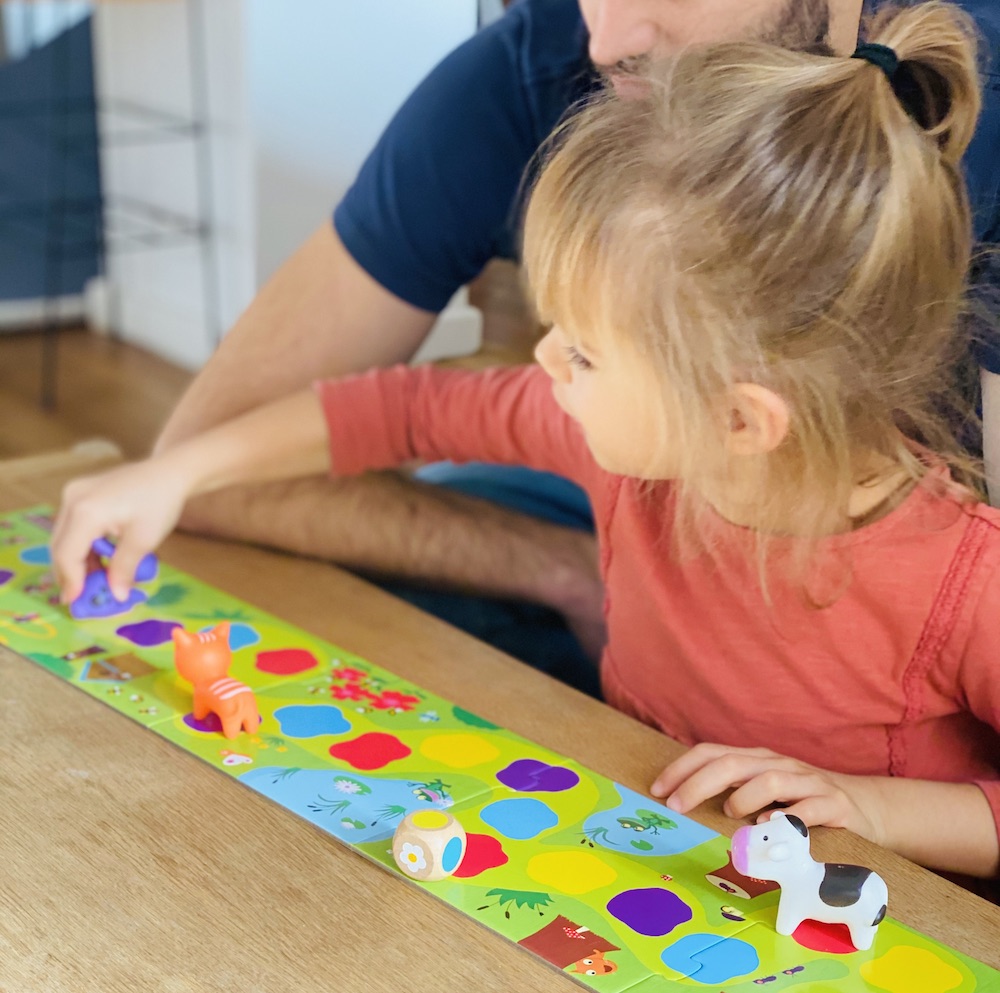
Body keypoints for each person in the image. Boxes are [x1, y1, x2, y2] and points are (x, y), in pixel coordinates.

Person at [52, 2, 1000, 883]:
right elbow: (393, 409)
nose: (543, 360)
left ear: (742, 418)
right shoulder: (638, 444)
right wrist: (179, 469)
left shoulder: (964, 582)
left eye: (583, 350)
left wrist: (877, 806)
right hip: (658, 857)